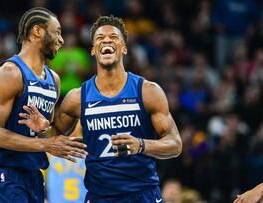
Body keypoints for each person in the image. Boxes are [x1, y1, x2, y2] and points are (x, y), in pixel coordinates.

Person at [20, 15, 182, 202]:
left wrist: (142, 145)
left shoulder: (148, 91)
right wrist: (43, 129)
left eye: (113, 37)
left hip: (142, 193)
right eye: (99, 38)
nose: (106, 40)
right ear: (93, 50)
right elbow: (54, 139)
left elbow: (175, 144)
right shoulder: (77, 98)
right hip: (100, 196)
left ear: (124, 49)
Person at [0, 7, 87, 203]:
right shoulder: (10, 73)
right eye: (57, 32)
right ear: (37, 31)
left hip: (34, 174)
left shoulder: (53, 79)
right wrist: (44, 144)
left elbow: (49, 136)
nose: (62, 40)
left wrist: (46, 130)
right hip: (4, 172)